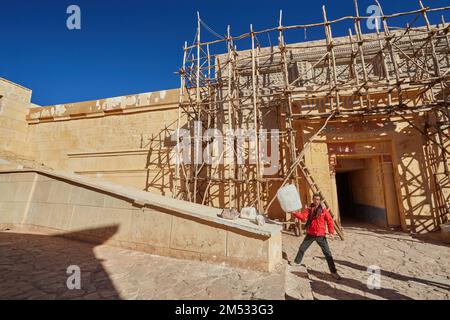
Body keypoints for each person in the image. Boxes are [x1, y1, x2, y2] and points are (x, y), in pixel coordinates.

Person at [290, 193, 342, 280]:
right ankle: (297, 261)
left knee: (327, 253)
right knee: (302, 248)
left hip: (321, 235)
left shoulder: (324, 210)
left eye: (318, 199)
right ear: (312, 200)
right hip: (310, 234)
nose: (316, 201)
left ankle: (333, 272)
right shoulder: (309, 209)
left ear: (320, 200)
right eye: (314, 199)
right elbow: (303, 217)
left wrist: (331, 232)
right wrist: (295, 213)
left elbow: (329, 221)